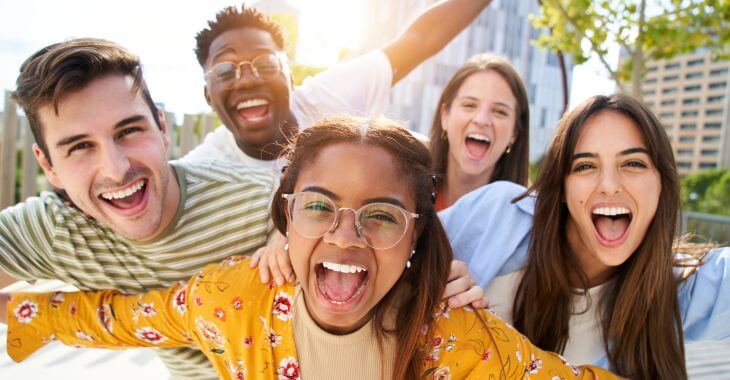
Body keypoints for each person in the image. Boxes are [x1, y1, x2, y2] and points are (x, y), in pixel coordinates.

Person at [0, 39, 486, 379]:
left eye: (129, 131)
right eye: (79, 147)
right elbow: (121, 318)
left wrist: (433, 273)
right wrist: (21, 310)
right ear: (49, 166)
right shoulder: (218, 296)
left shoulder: (260, 204)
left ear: (162, 128)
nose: (116, 167)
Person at [2, 117, 618, 380]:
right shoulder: (233, 300)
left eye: (380, 216)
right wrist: (20, 315)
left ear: (415, 235)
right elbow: (124, 319)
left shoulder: (454, 340)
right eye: (319, 207)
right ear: (286, 218)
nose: (344, 237)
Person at [440, 95, 730, 379]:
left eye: (633, 163)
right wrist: (435, 274)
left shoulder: (687, 287)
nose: (608, 185)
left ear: (661, 184)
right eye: (585, 166)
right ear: (563, 188)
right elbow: (399, 241)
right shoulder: (499, 214)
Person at [182, 0, 493, 170]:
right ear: (208, 95)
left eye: (265, 64)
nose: (248, 79)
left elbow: (420, 39)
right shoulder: (205, 168)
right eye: (225, 71)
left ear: (290, 77)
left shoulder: (327, 99)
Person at [429, 54, 529, 211]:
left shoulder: (525, 225)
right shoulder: (408, 194)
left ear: (514, 132)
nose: (482, 120)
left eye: (500, 112)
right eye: (469, 105)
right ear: (445, 116)